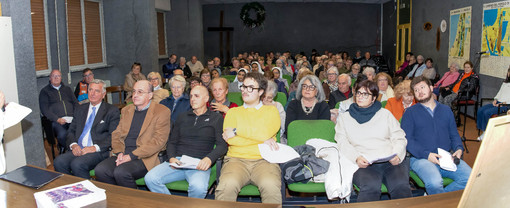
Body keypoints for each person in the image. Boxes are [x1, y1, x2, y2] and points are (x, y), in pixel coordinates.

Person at [144, 86, 227, 198]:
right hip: (178, 161)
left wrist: (209, 158)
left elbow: (222, 146)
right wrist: (172, 157)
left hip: (199, 163)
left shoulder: (216, 118)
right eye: (191, 96)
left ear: (206, 98)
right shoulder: (182, 117)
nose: (192, 99)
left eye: (196, 96)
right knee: (150, 178)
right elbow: (172, 142)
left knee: (198, 187)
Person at [335, 80, 411, 202]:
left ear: (374, 98)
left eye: (365, 94)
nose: (360, 96)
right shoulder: (345, 118)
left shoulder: (385, 114)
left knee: (401, 185)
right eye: (359, 93)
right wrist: (356, 158)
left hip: (389, 160)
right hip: (363, 163)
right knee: (371, 187)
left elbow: (399, 137)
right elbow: (342, 142)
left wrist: (397, 154)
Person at [216, 72, 281, 203]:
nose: (245, 91)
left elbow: (265, 133)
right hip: (236, 160)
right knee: (227, 185)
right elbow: (232, 140)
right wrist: (261, 139)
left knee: (270, 185)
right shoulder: (232, 112)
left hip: (265, 160)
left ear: (261, 91)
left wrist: (236, 130)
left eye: (251, 88)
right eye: (244, 87)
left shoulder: (272, 111)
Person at [94, 80, 171, 189]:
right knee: (101, 170)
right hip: (123, 153)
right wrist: (119, 152)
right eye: (134, 91)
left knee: (121, 172)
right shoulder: (127, 110)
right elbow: (116, 134)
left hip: (145, 156)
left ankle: (133, 202)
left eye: (140, 92)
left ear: (150, 95)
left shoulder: (162, 111)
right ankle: (118, 200)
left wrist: (131, 156)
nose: (135, 95)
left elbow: (158, 142)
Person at [401, 76, 471, 195]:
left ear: (431, 88)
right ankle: (436, 199)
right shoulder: (410, 113)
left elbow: (454, 134)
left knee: (470, 178)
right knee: (435, 182)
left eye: (422, 87)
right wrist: (426, 155)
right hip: (421, 158)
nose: (420, 92)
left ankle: (433, 198)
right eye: (416, 90)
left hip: (445, 156)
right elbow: (407, 140)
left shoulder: (446, 110)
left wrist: (459, 148)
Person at [54, 79, 120, 179]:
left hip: (98, 150)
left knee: (77, 164)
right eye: (90, 90)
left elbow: (113, 136)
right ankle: (71, 189)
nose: (92, 93)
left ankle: (88, 191)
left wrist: (93, 148)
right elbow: (71, 130)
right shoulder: (80, 109)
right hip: (79, 148)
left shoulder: (111, 111)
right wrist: (74, 145)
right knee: (59, 162)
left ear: (103, 94)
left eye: (97, 91)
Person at [39, 69, 79, 153]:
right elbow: (44, 109)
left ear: (61, 78)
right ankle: (71, 150)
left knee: (80, 132)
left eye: (58, 76)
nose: (56, 78)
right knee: (63, 135)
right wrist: (57, 119)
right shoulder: (44, 91)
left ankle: (71, 148)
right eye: (54, 76)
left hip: (72, 118)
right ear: (50, 78)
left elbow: (76, 103)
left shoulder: (67, 89)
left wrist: (76, 116)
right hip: (56, 121)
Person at [476, 67, 510, 140]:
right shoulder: (505, 83)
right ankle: (484, 130)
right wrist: (495, 99)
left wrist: (503, 103)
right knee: (480, 110)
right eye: (509, 72)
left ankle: (485, 133)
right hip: (498, 103)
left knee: (487, 113)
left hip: (506, 105)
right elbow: (499, 93)